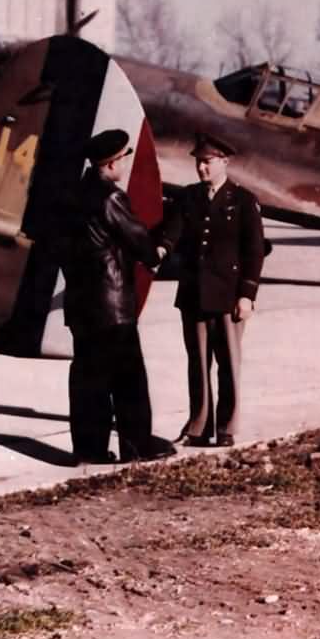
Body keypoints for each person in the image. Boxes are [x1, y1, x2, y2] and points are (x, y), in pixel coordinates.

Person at [61, 128, 174, 465]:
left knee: (87, 378)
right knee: (129, 380)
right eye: (123, 158)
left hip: (81, 305)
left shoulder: (74, 196)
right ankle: (137, 444)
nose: (124, 163)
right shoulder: (110, 198)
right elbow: (140, 243)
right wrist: (161, 248)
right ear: (110, 164)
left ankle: (89, 449)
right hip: (112, 308)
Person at [158, 132, 265, 448]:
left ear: (224, 162)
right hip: (193, 295)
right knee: (198, 363)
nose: (202, 168)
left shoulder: (243, 201)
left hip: (228, 296)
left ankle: (226, 427)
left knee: (229, 365)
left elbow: (254, 251)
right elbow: (171, 234)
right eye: (198, 163)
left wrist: (247, 295)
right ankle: (198, 426)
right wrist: (159, 252)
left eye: (207, 162)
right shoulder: (188, 197)